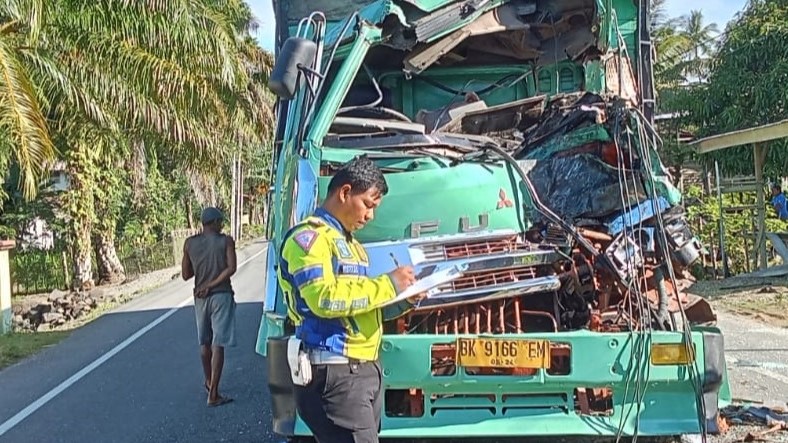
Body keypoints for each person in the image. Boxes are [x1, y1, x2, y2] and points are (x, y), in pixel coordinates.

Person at [277, 155, 424, 443]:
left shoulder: (353, 247)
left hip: (363, 371)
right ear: (345, 192)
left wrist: (404, 299)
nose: (370, 216)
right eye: (368, 204)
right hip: (336, 371)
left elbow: (360, 308)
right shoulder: (308, 239)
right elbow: (324, 299)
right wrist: (388, 284)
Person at [181, 207, 238, 407]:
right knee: (218, 343)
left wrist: (202, 280)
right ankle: (213, 393)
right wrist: (212, 284)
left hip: (200, 298)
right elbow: (231, 268)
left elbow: (186, 274)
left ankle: (208, 381)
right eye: (220, 221)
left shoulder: (190, 243)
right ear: (214, 222)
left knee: (203, 342)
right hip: (220, 294)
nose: (222, 225)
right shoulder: (225, 241)